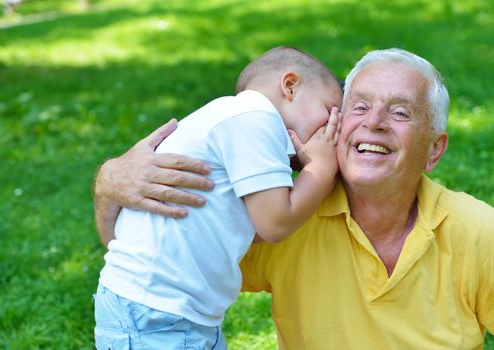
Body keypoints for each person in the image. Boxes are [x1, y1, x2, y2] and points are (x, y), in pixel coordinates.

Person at [94, 48, 494, 349]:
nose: (373, 122)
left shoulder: (479, 232)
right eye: (356, 107)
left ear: (434, 150)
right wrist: (108, 183)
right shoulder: (288, 211)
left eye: (401, 113)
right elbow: (154, 258)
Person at [94, 46, 343, 349]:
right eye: (329, 111)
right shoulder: (255, 118)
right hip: (157, 312)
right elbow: (275, 224)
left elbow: (252, 229)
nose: (332, 128)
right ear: (290, 86)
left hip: (170, 308)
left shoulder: (236, 121)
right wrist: (321, 167)